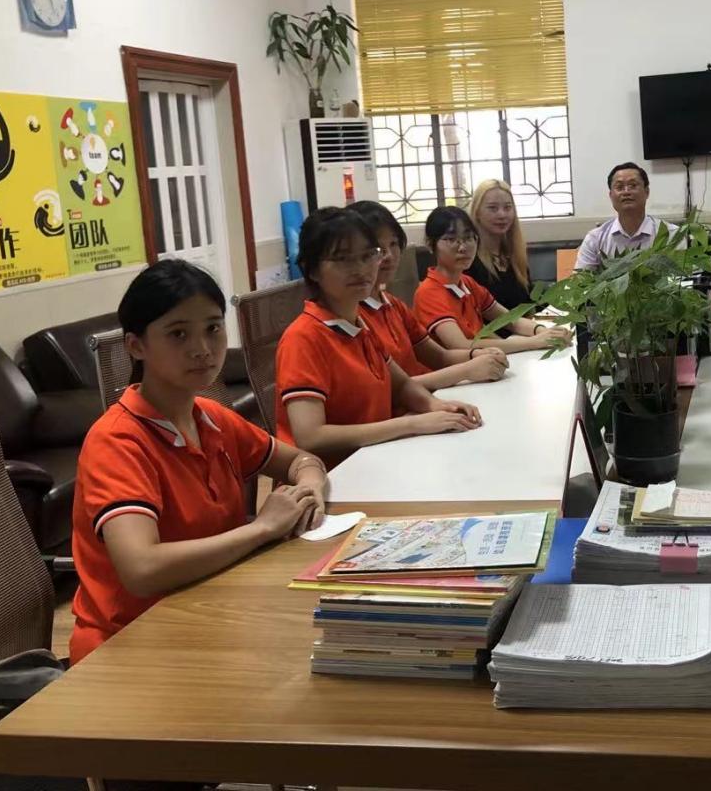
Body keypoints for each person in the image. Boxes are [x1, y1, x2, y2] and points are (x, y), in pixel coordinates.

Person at [70, 260, 328, 664]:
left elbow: (303, 461)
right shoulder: (118, 441)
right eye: (178, 334)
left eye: (213, 328)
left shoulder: (211, 417)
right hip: (130, 646)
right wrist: (261, 528)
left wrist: (308, 492)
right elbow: (142, 569)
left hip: (211, 612)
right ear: (136, 346)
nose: (203, 349)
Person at [275, 207, 483, 467]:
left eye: (367, 256)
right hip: (334, 476)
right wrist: (412, 424)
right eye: (343, 259)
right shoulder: (303, 338)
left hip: (379, 458)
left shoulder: (359, 325)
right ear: (312, 269)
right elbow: (311, 437)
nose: (360, 269)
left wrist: (436, 405)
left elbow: (402, 385)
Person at [346, 200, 509, 390]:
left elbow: (439, 356)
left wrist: (479, 354)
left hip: (429, 397)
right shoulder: (349, 316)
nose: (388, 255)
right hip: (421, 399)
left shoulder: (393, 305)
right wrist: (467, 369)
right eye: (376, 249)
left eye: (394, 244)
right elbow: (387, 388)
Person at [412, 205, 571, 353]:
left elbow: (510, 320)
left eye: (468, 238)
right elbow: (461, 345)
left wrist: (545, 331)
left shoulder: (467, 283)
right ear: (430, 244)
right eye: (451, 239)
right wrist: (534, 342)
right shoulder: (428, 292)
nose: (462, 247)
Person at [574, 162, 677, 270]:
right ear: (611, 195)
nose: (626, 192)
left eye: (633, 185)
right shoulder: (595, 239)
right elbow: (581, 279)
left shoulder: (672, 235)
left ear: (646, 192)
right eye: (619, 187)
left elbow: (681, 277)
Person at [467, 179, 533, 310]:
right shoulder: (468, 261)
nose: (502, 215)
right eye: (493, 208)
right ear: (477, 212)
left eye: (507, 207)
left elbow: (530, 304)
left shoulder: (515, 257)